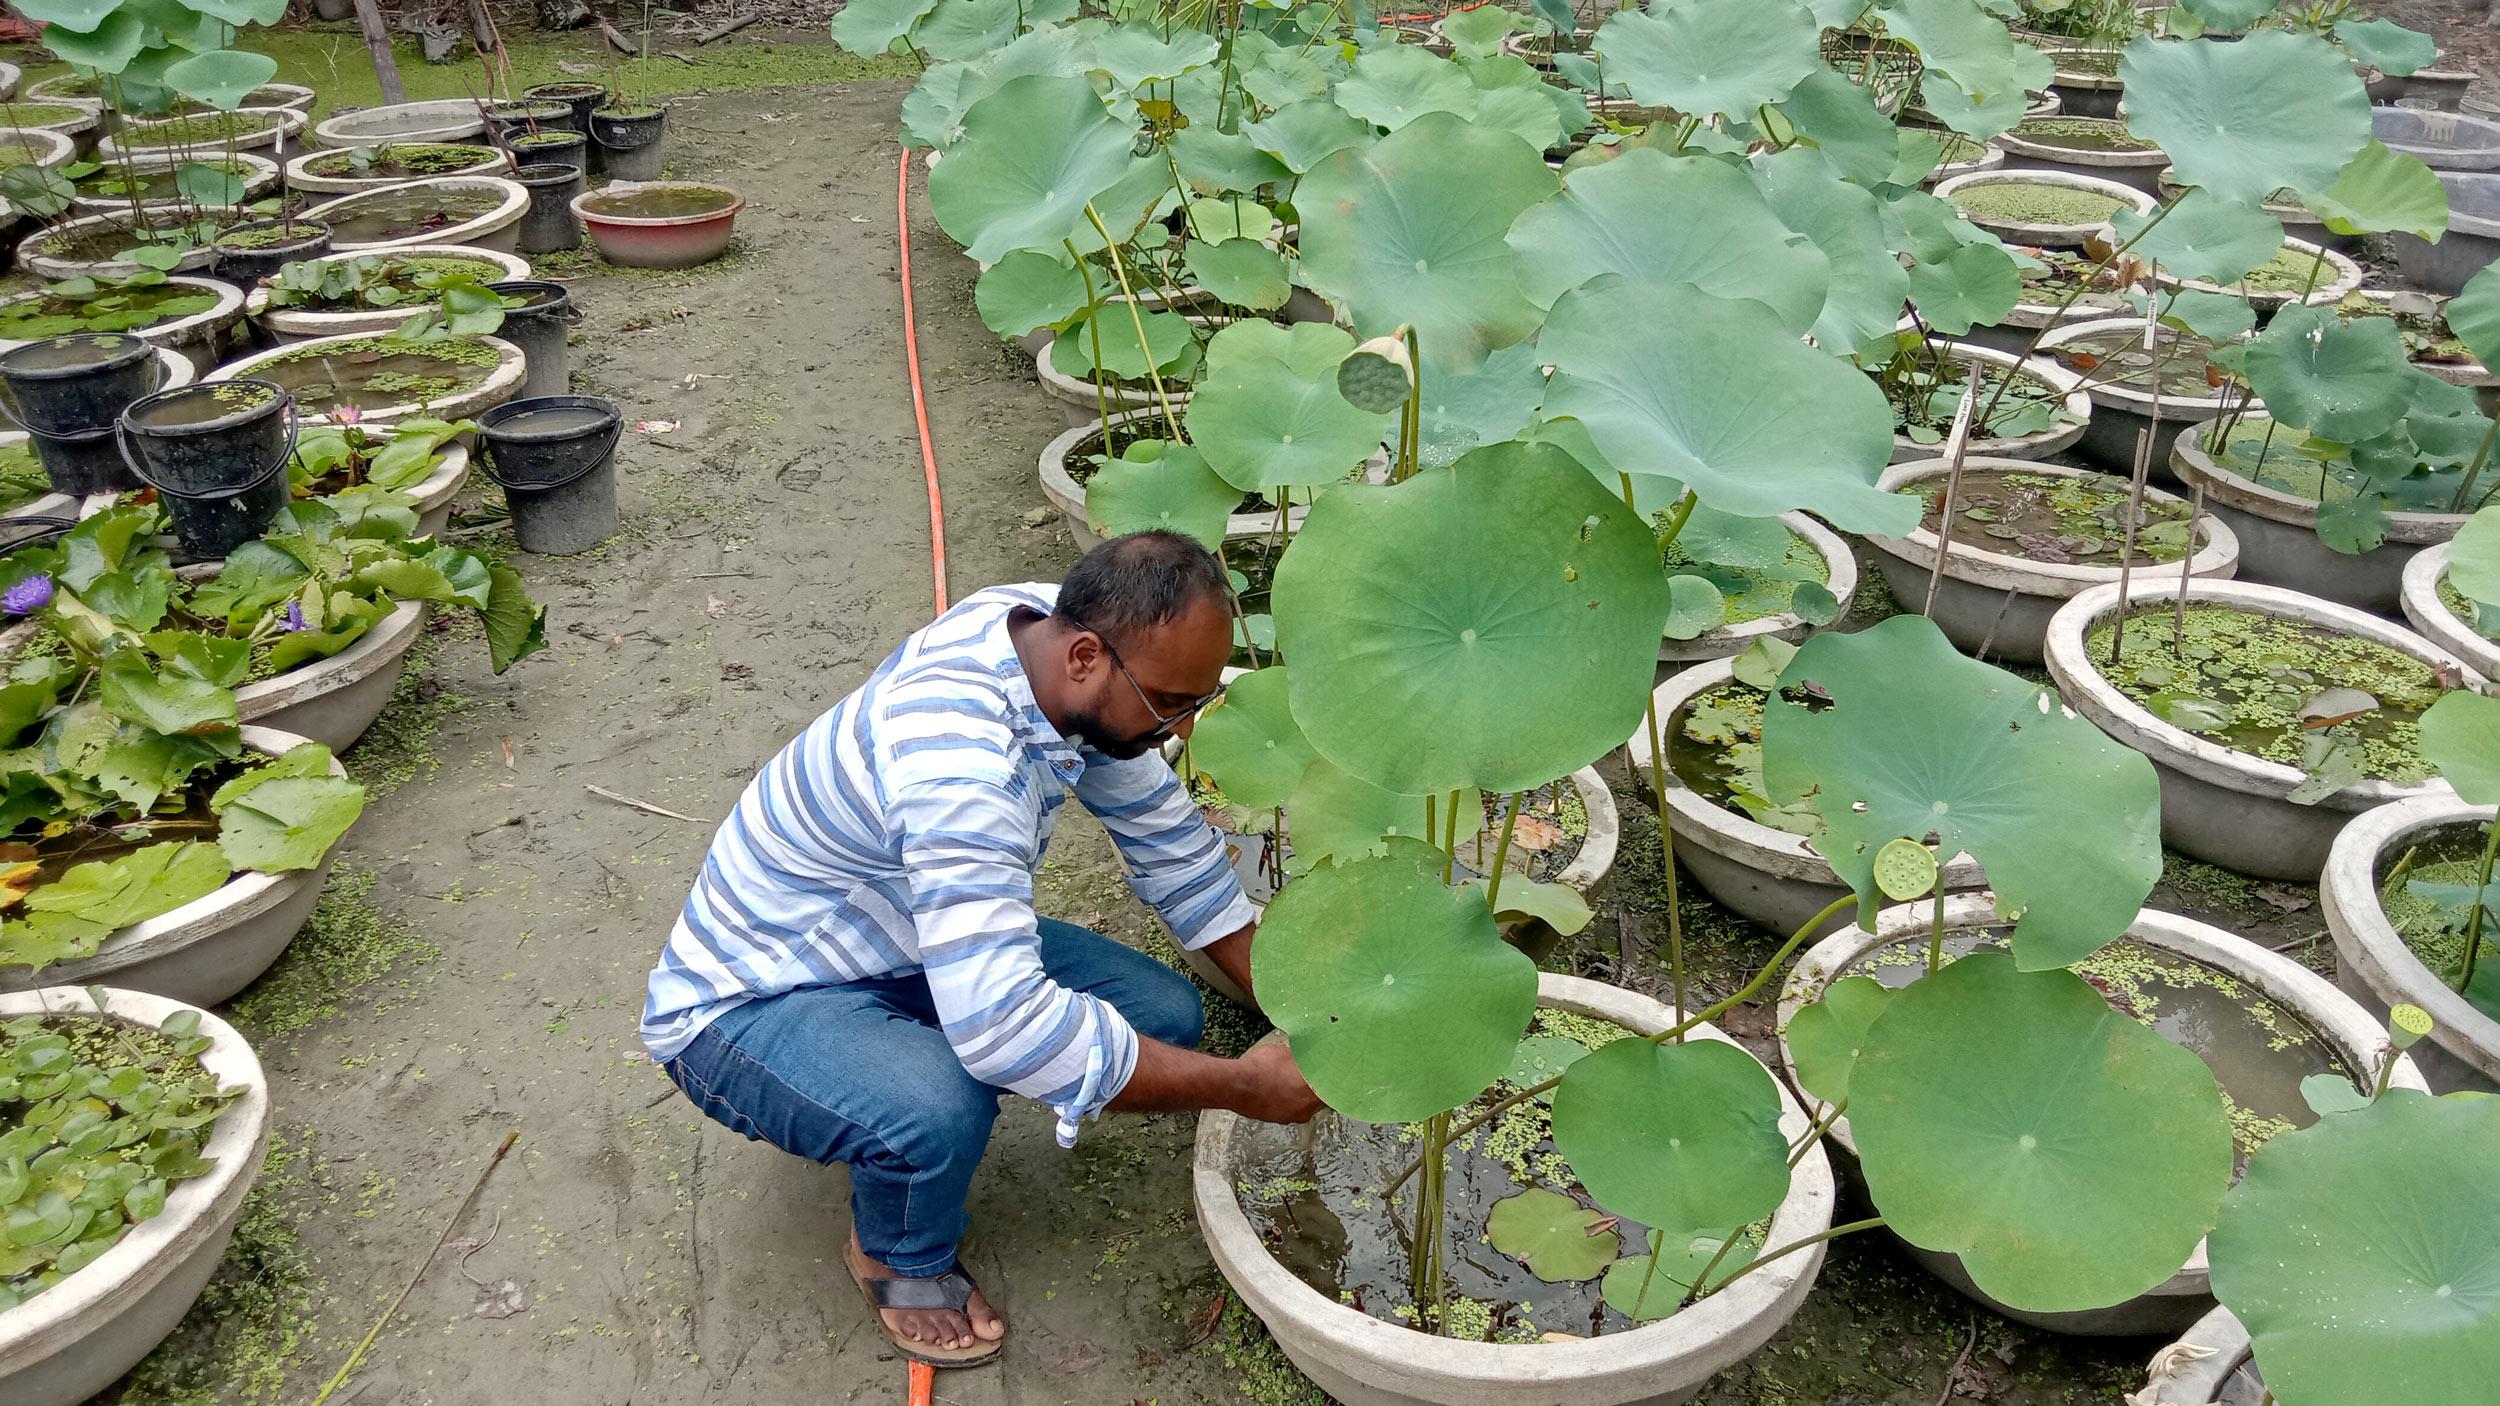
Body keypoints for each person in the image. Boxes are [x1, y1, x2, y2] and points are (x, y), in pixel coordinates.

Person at [640, 531, 1323, 1369]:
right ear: (1085, 658)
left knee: (1164, 1014)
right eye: (1172, 707)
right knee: (940, 1105)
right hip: (752, 996)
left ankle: (879, 1073)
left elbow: (1170, 847)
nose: (1179, 731)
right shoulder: (960, 763)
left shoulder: (1048, 637)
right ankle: (895, 1252)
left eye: (1194, 704)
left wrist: (1299, 1007)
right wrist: (1245, 1087)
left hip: (898, 934)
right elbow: (1002, 1032)